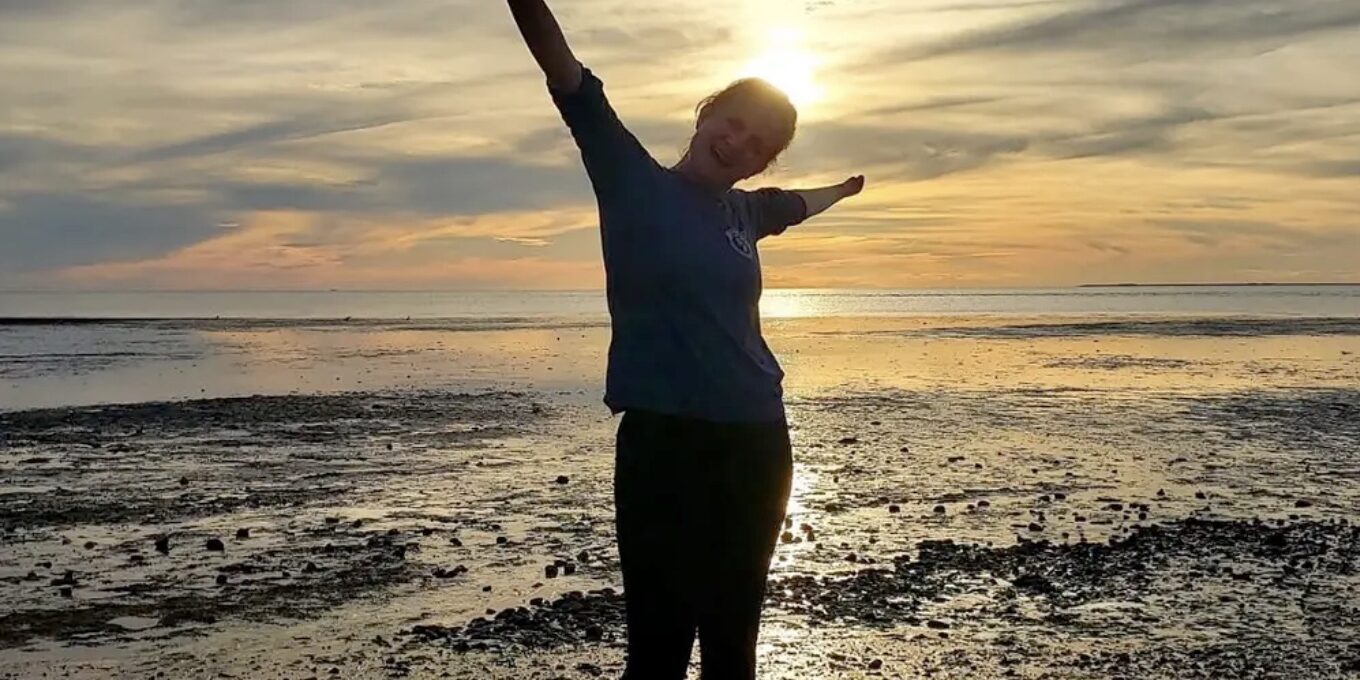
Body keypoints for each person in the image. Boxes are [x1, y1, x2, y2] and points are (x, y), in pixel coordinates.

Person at [507, 2, 865, 678]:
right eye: (732, 123)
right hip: (662, 444)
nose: (737, 142)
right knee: (659, 652)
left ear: (761, 162)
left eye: (757, 143)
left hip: (757, 442)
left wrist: (843, 191)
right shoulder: (631, 179)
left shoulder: (745, 211)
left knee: (734, 649)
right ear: (705, 115)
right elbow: (570, 79)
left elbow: (795, 205)